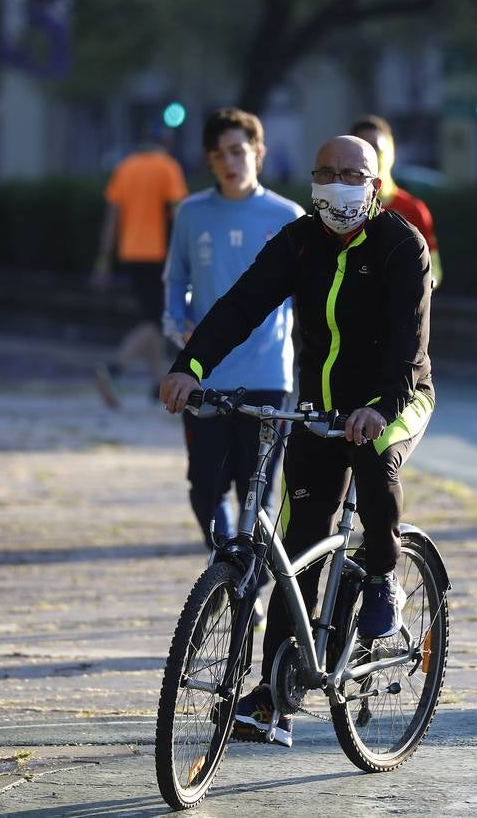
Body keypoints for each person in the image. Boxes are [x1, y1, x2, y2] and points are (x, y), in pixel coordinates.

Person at [161, 135, 434, 748]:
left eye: (351, 174)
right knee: (295, 544)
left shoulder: (400, 246)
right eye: (326, 173)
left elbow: (406, 348)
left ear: (373, 182)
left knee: (373, 455)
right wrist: (191, 366)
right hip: (318, 407)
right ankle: (272, 697)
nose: (338, 184)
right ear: (312, 181)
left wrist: (378, 406)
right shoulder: (300, 239)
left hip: (398, 398)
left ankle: (383, 572)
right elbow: (241, 305)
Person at [163, 108, 304, 626]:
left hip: (268, 374)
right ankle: (228, 563)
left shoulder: (288, 216)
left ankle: (253, 586)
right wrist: (176, 322)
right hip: (205, 375)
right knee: (205, 486)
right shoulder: (192, 214)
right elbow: (174, 279)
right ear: (209, 160)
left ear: (258, 153)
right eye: (219, 153)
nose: (229, 161)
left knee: (257, 492)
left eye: (238, 150)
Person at [92, 131, 188, 407]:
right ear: (166, 144)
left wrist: (103, 260)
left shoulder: (125, 168)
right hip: (160, 254)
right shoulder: (168, 167)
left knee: (152, 316)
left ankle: (158, 382)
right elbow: (179, 214)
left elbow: (112, 218)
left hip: (130, 253)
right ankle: (115, 367)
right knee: (157, 321)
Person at [351, 114, 443, 288]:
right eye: (364, 148)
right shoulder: (333, 207)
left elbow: (434, 266)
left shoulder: (413, 209)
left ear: (391, 151)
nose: (371, 156)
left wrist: (424, 283)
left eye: (377, 147)